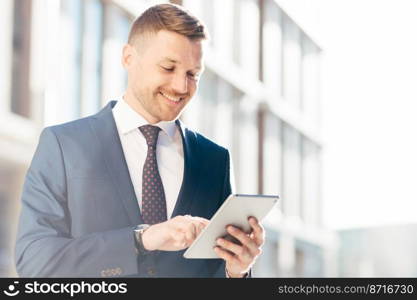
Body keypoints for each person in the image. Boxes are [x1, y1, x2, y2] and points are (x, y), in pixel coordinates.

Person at [15, 3, 264, 278]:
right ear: (128, 58)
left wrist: (237, 272)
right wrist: (143, 239)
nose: (182, 87)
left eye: (193, 74)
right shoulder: (64, 145)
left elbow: (217, 273)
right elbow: (35, 263)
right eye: (168, 67)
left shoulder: (214, 160)